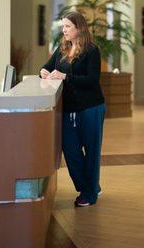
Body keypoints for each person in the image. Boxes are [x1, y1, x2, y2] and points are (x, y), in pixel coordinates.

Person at [40, 11, 105, 207]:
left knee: (91, 151)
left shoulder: (91, 50)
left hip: (91, 107)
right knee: (70, 150)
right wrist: (43, 72)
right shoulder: (61, 49)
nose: (64, 30)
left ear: (79, 28)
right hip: (68, 109)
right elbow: (46, 67)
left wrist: (65, 77)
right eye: (63, 27)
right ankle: (90, 186)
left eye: (68, 26)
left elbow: (92, 80)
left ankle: (89, 194)